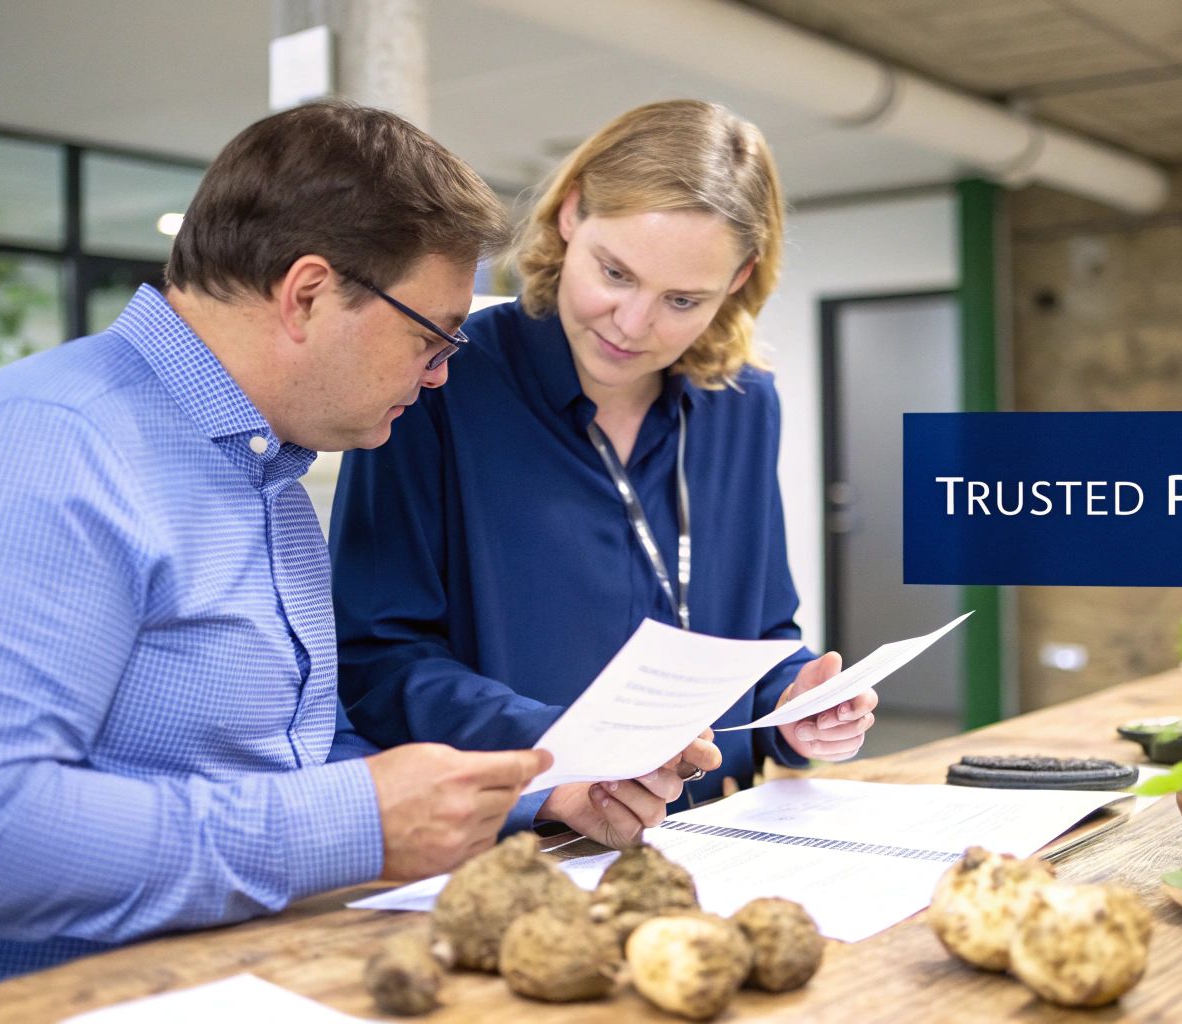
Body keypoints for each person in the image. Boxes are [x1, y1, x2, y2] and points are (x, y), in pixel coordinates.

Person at [0, 102, 550, 1018]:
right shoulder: (41, 452)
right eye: (432, 335)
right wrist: (351, 823)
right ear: (306, 293)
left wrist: (523, 795)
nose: (442, 372)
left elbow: (277, 763)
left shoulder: (267, 477)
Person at [332, 100, 879, 847]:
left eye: (683, 300)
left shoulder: (744, 403)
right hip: (518, 845)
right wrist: (567, 752)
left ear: (740, 279)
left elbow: (762, 633)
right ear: (568, 214)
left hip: (721, 836)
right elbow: (377, 660)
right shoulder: (440, 383)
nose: (632, 323)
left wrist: (798, 704)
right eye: (614, 273)